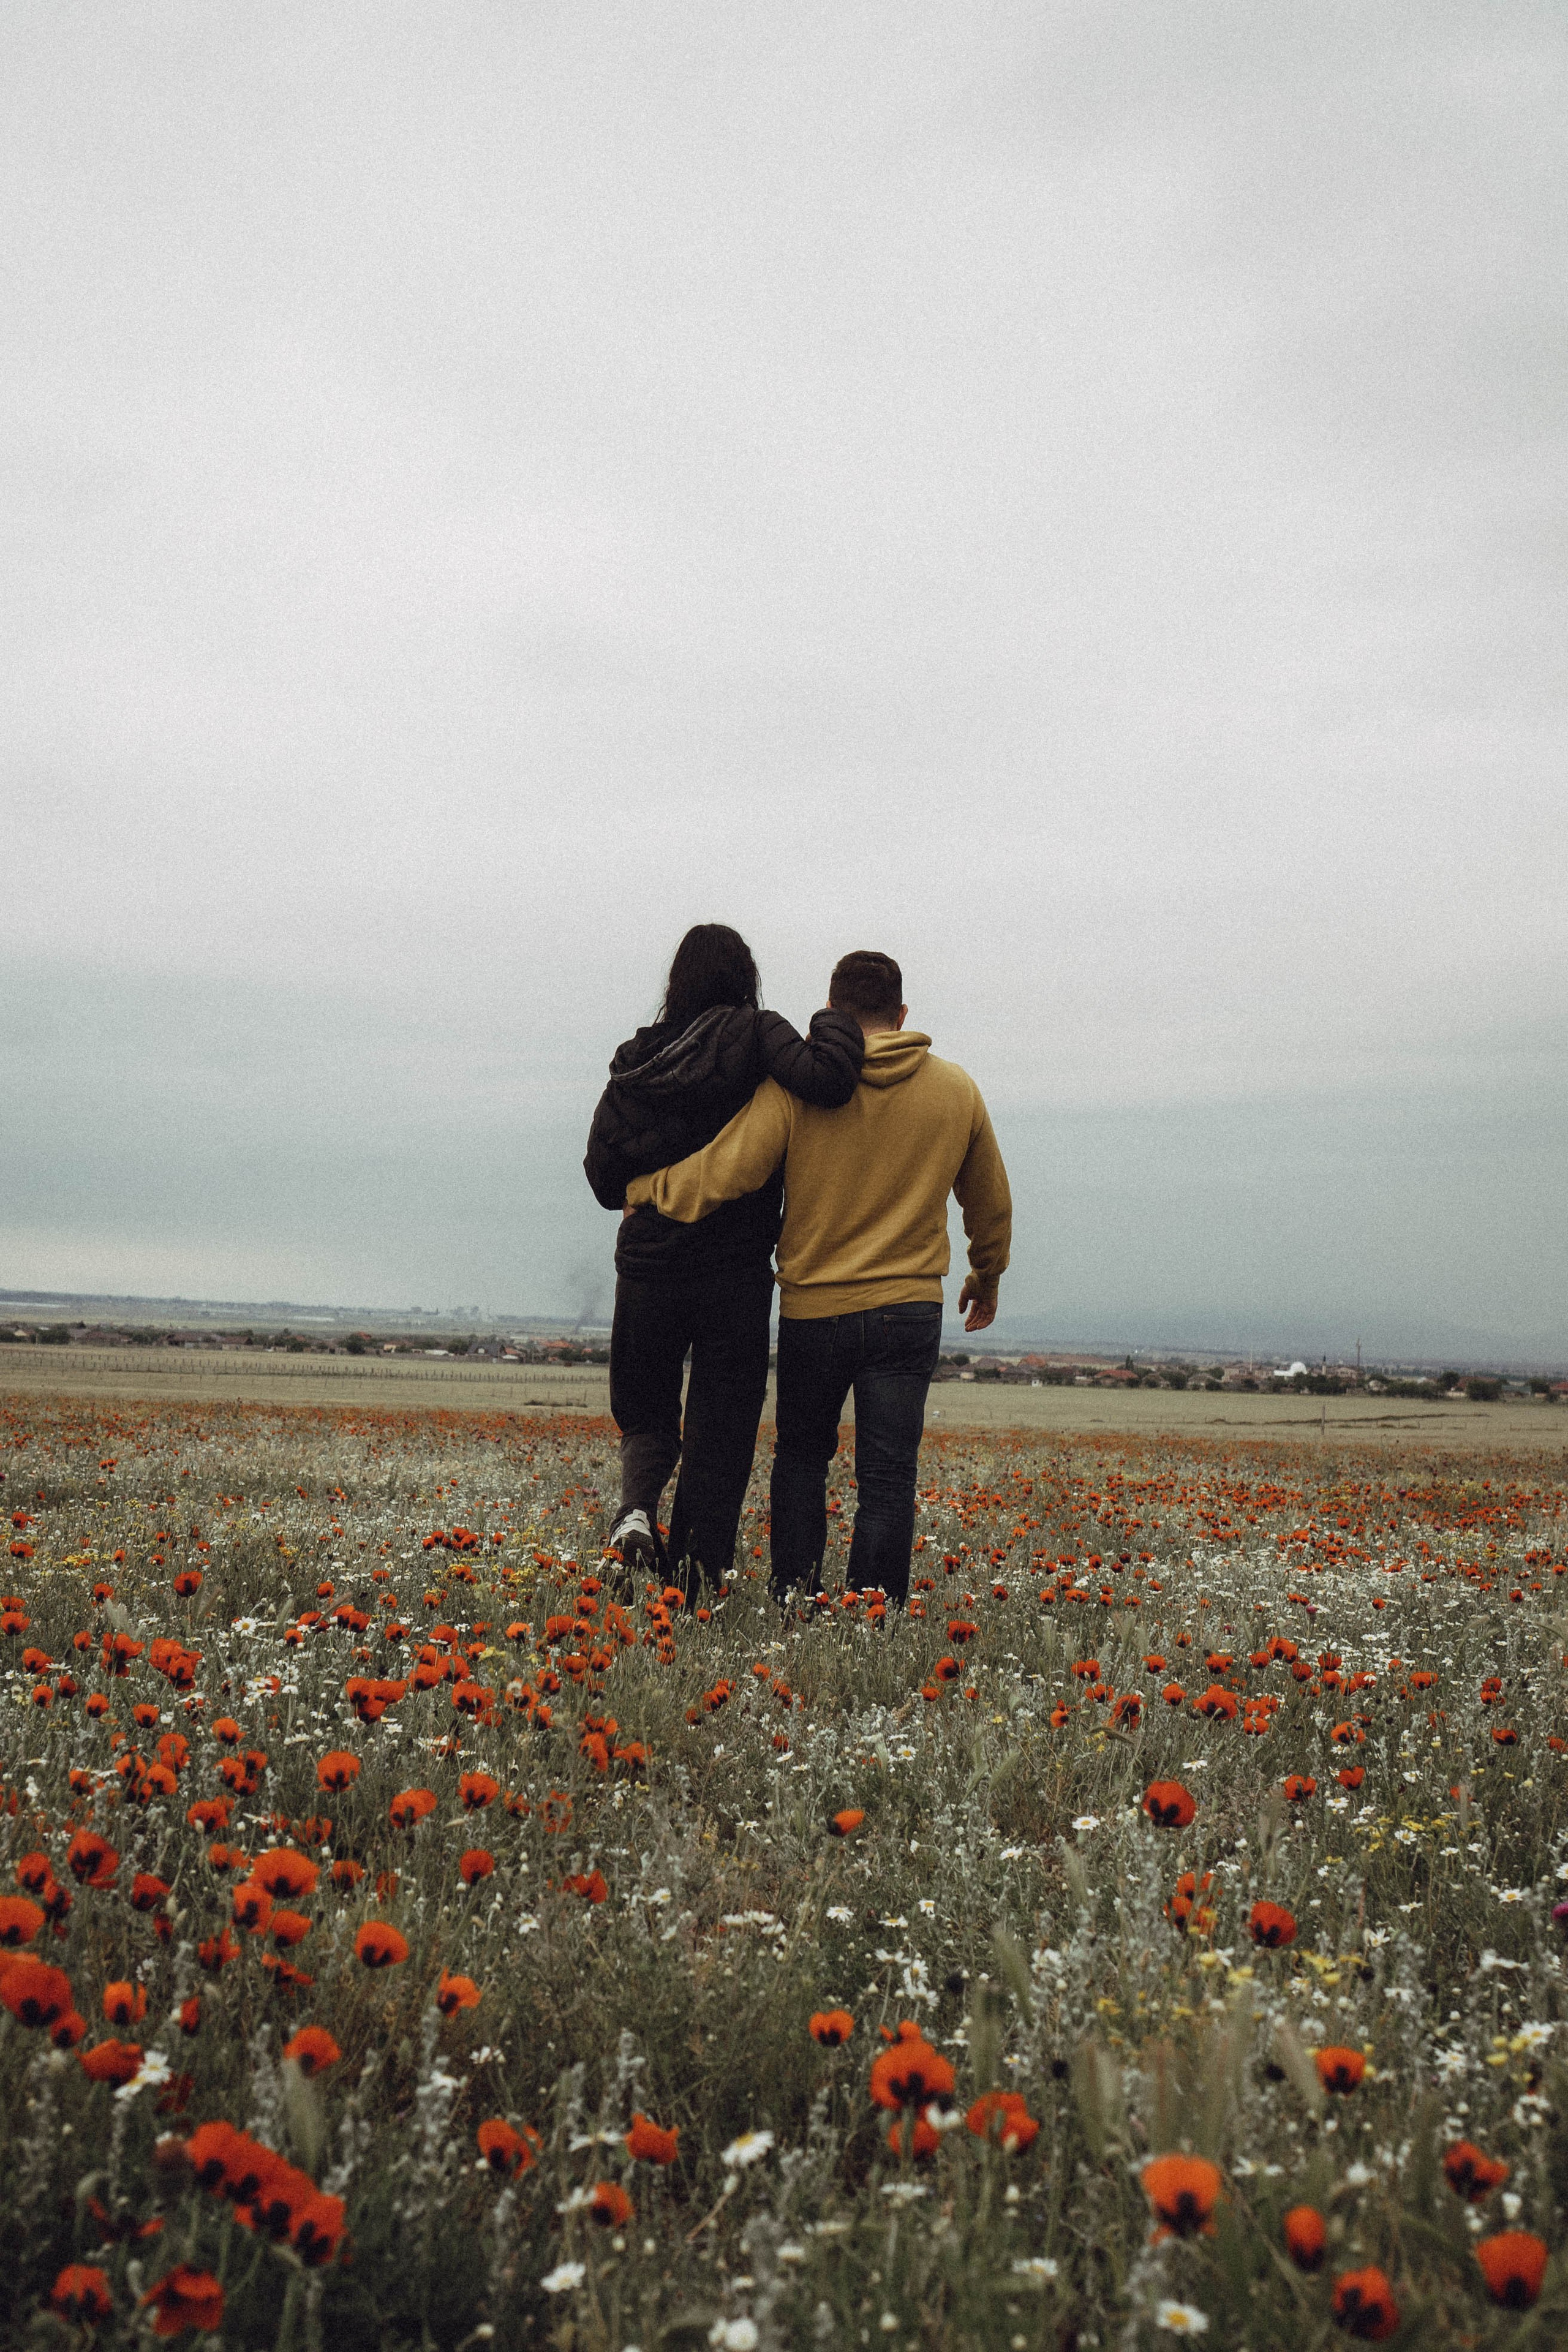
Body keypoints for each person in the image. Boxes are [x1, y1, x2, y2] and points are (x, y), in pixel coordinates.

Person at [625, 949, 1011, 1604]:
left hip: (814, 1312)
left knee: (802, 1461)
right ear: (902, 1013)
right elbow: (988, 1201)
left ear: (833, 1010)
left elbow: (729, 1170)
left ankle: (794, 1599)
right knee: (888, 1475)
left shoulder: (798, 1090)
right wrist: (986, 1273)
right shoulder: (956, 1090)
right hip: (909, 1307)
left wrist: (648, 1188)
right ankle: (872, 1614)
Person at [584, 923, 864, 1589]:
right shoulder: (758, 1033)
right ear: (745, 977)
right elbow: (827, 1081)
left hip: (648, 1267)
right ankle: (697, 1577)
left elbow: (601, 1180)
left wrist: (648, 1176)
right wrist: (833, 1018)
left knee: (647, 1410)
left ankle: (635, 1511)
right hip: (732, 1273)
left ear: (676, 982)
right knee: (723, 1426)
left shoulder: (636, 1061)